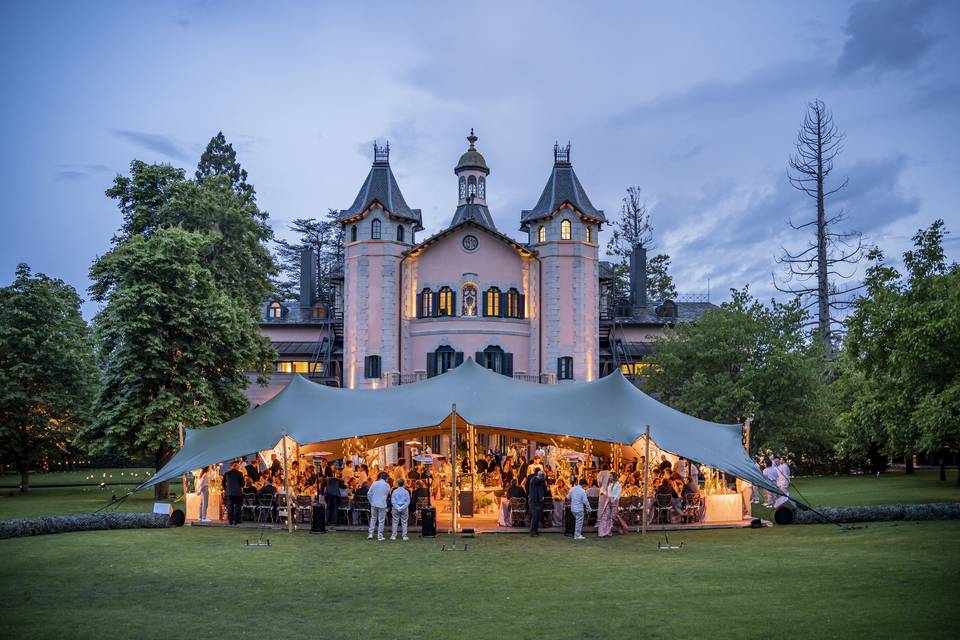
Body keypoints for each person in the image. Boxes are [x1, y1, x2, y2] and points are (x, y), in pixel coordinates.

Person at [367, 472, 390, 541]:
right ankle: (379, 536)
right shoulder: (387, 485)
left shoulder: (374, 483)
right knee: (381, 520)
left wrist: (371, 501)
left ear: (380, 477)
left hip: (374, 503)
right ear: (386, 478)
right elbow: (388, 495)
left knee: (373, 519)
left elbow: (369, 493)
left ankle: (370, 534)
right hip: (382, 504)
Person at [221, 461, 245, 525]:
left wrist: (227, 489)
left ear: (232, 466)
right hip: (237, 492)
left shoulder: (227, 473)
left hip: (229, 492)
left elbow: (223, 483)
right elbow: (242, 484)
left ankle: (230, 520)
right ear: (237, 467)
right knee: (237, 506)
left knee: (230, 506)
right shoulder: (240, 473)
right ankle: (236, 520)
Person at [526, 470, 546, 536]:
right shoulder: (534, 479)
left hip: (538, 501)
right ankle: (532, 532)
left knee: (538, 517)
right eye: (543, 476)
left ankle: (536, 531)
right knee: (535, 516)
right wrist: (543, 477)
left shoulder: (540, 481)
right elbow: (539, 480)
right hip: (533, 501)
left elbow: (544, 488)